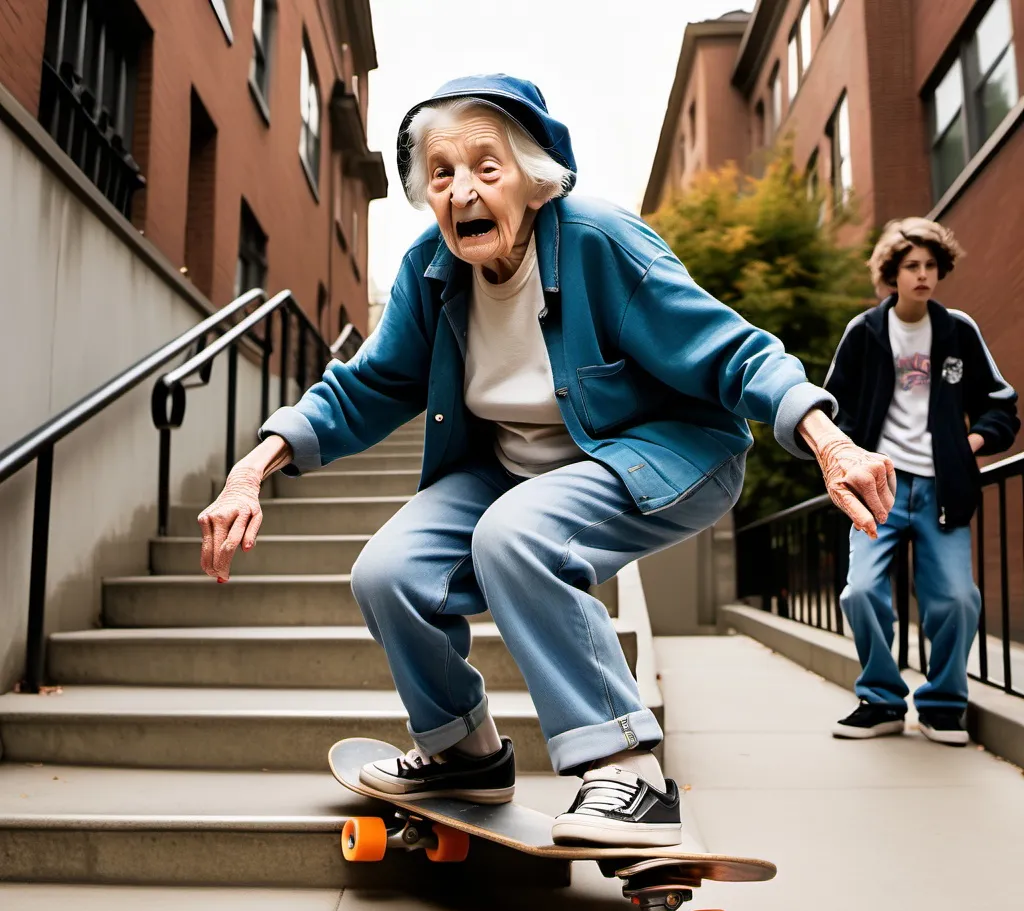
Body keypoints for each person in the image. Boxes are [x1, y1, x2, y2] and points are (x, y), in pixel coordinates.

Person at [199, 74, 894, 847]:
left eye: (485, 168)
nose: (462, 191)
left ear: (533, 179)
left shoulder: (600, 243)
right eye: (442, 173)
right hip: (510, 468)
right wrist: (250, 471)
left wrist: (825, 439)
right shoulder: (431, 271)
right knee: (388, 573)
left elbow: (732, 352)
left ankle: (628, 770)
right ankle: (462, 750)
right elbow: (368, 385)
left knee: (513, 534)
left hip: (658, 453)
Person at [826, 218, 1019, 746]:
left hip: (941, 490)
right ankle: (881, 700)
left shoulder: (959, 330)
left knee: (956, 599)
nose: (923, 274)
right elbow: (834, 411)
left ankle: (942, 705)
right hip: (878, 488)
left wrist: (968, 446)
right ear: (892, 272)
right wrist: (851, 460)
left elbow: (1001, 405)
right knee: (861, 591)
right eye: (912, 265)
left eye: (931, 265)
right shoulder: (864, 332)